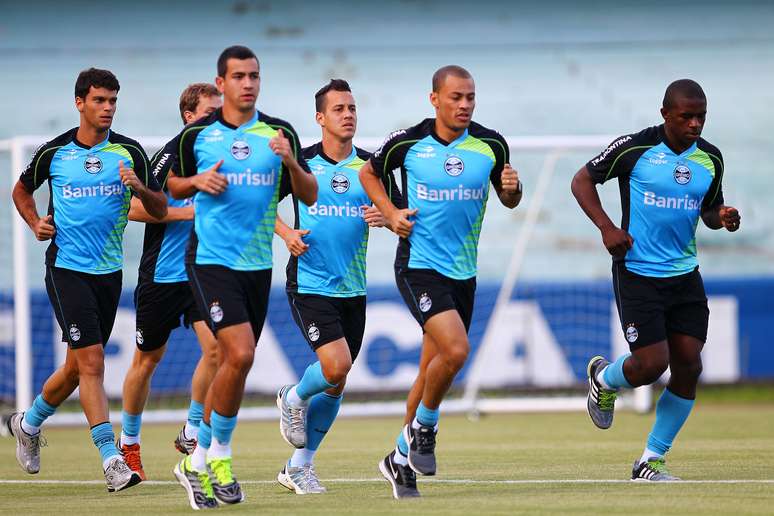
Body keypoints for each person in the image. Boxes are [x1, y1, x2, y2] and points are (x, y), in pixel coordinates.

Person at [359, 65, 523, 498]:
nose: (464, 104)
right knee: (456, 349)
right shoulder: (408, 143)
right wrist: (391, 213)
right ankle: (425, 429)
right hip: (419, 266)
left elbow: (508, 198)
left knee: (431, 370)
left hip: (463, 273)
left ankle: (398, 458)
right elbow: (367, 174)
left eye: (470, 97)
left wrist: (512, 188)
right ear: (434, 99)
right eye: (455, 97)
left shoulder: (491, 144)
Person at [168, 45, 317, 510]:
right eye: (238, 76)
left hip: (257, 266)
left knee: (239, 362)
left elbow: (308, 193)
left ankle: (195, 463)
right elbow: (170, 184)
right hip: (210, 261)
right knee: (239, 351)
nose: (247, 83)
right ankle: (221, 459)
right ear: (222, 81)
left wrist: (291, 161)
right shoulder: (199, 138)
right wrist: (196, 184)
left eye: (254, 75)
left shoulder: (279, 132)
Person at [571, 79, 741, 481]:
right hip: (638, 273)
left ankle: (651, 461)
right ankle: (603, 378)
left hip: (685, 276)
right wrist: (607, 228)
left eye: (701, 116)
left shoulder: (710, 159)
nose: (695, 123)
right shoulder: (635, 149)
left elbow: (709, 211)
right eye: (686, 116)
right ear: (665, 113)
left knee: (688, 366)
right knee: (651, 365)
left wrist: (724, 217)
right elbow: (581, 180)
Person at [8, 68, 166, 492]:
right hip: (66, 268)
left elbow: (160, 205)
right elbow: (21, 191)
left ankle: (27, 422)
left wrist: (139, 187)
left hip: (109, 274)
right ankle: (112, 460)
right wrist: (34, 223)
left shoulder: (130, 152)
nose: (108, 108)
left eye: (113, 100)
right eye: (100, 100)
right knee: (93, 362)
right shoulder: (54, 152)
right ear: (80, 103)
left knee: (77, 369)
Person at [274, 79, 397, 494]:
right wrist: (286, 233)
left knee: (337, 382)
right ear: (320, 118)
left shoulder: (369, 169)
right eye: (339, 108)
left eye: (353, 107)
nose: (348, 114)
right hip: (309, 283)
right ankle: (292, 395)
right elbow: (259, 208)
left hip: (353, 287)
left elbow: (399, 215)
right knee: (335, 366)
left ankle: (298, 467)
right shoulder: (302, 163)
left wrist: (387, 217)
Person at [117, 83, 222, 481]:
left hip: (203, 272)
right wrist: (187, 215)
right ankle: (129, 444)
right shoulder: (166, 155)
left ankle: (192, 431)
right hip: (162, 274)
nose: (216, 117)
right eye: (209, 111)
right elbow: (136, 207)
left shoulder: (222, 154)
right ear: (188, 116)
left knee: (218, 349)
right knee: (148, 360)